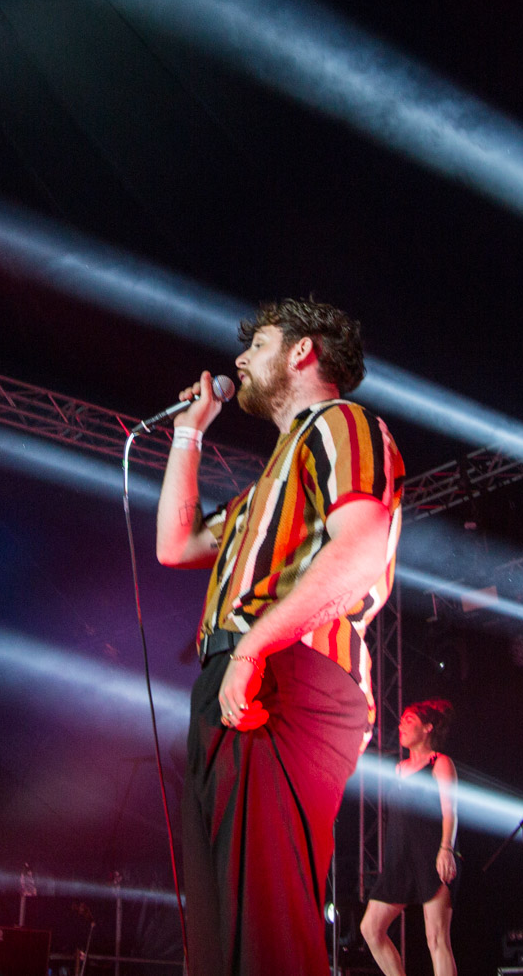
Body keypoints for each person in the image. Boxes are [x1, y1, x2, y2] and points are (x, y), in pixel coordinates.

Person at [156, 297, 405, 976]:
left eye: (256, 343)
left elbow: (357, 552)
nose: (238, 361)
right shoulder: (257, 492)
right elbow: (175, 545)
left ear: (302, 351)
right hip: (233, 675)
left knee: (266, 926)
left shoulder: (341, 423)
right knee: (218, 933)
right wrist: (188, 434)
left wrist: (252, 646)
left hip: (287, 674)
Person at [361, 700, 459, 976]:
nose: (401, 726)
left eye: (409, 721)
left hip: (432, 855)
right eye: (402, 721)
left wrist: (446, 849)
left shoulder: (440, 763)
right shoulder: (398, 768)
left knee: (437, 938)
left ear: (427, 728)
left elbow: (450, 811)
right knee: (371, 928)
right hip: (399, 860)